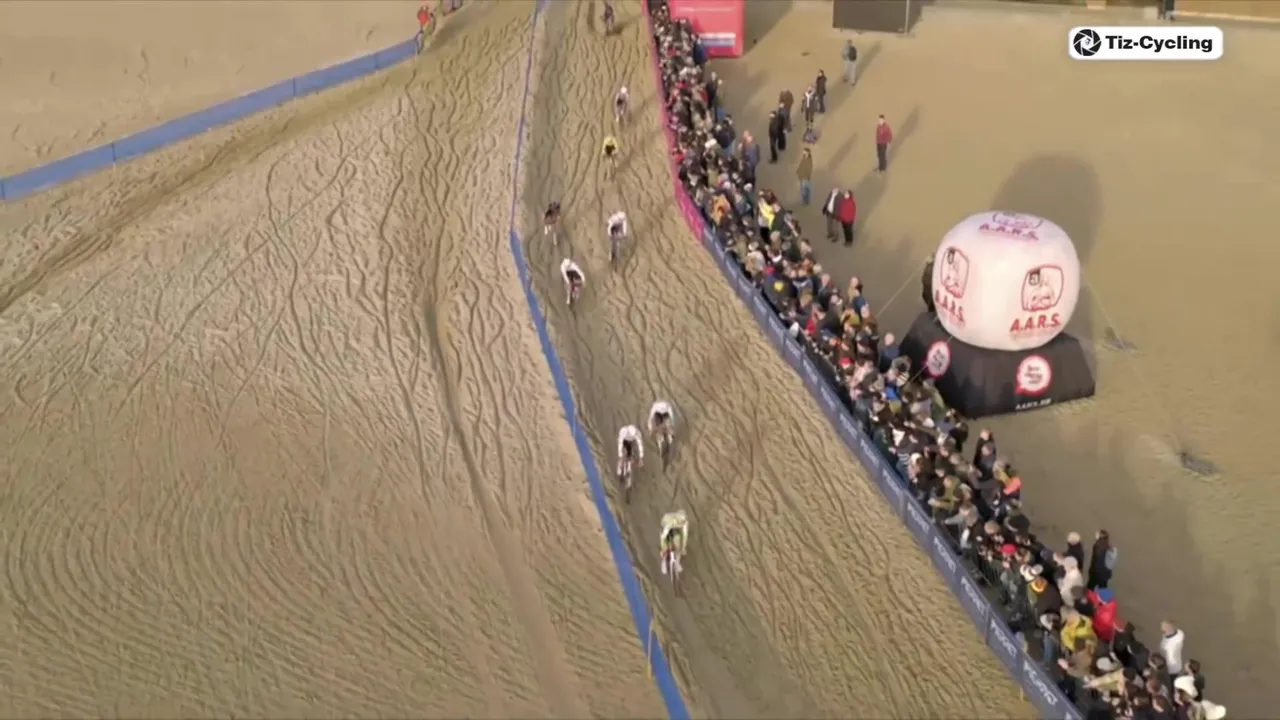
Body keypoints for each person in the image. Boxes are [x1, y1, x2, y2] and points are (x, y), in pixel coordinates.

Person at [659, 510, 689, 574]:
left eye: (682, 522)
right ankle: (664, 562)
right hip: (665, 527)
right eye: (680, 522)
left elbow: (685, 536)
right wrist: (663, 548)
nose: (681, 523)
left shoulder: (685, 523)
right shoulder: (671, 521)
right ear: (676, 518)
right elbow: (663, 536)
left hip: (675, 530)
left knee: (678, 544)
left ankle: (677, 563)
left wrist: (683, 548)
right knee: (665, 546)